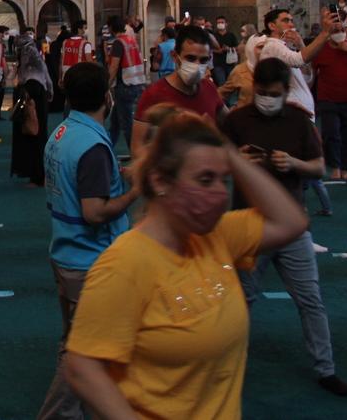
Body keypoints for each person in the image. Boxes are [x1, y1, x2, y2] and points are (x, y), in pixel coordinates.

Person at [62, 113, 310, 419]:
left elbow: (291, 221)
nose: (220, 193)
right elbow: (83, 368)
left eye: (224, 179)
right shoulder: (125, 263)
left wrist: (228, 153)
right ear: (160, 181)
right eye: (205, 179)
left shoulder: (216, 235)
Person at [222, 59, 347, 397]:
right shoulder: (236, 121)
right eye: (262, 93)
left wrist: (294, 163)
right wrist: (238, 162)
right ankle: (227, 368)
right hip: (248, 225)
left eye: (274, 94)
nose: (267, 99)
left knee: (310, 299)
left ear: (285, 90)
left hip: (292, 227)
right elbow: (215, 164)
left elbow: (319, 167)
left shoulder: (298, 120)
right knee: (239, 302)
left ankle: (326, 369)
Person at [38, 62, 140, 420]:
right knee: (83, 357)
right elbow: (95, 212)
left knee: (74, 344)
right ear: (108, 97)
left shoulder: (62, 133)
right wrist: (133, 193)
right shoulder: (93, 145)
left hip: (65, 253)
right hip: (91, 261)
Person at [132, 25, 226, 161]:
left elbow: (230, 122)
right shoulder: (154, 94)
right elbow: (137, 146)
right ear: (175, 56)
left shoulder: (209, 88)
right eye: (190, 58)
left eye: (203, 60)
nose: (196, 65)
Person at [310, 14, 347, 182]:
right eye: (335, 30)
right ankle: (335, 167)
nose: (339, 32)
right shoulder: (321, 49)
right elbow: (312, 74)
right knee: (331, 133)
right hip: (328, 98)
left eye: (341, 30)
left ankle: (346, 168)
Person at [11, 27, 52, 187]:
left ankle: (37, 175)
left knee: (33, 133)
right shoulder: (36, 55)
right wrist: (50, 91)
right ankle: (41, 174)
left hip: (31, 94)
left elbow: (22, 78)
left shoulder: (27, 55)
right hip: (40, 92)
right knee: (40, 133)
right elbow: (46, 75)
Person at [104, 17, 147, 156]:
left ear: (111, 28)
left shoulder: (118, 43)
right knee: (115, 122)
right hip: (137, 83)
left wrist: (106, 85)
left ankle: (136, 156)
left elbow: (114, 66)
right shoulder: (131, 40)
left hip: (125, 86)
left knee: (127, 124)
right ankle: (107, 149)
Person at [210, 16, 238, 86]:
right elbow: (209, 49)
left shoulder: (231, 35)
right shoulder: (213, 36)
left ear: (226, 24)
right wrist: (218, 51)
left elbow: (237, 47)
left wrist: (229, 49)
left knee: (231, 84)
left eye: (222, 22)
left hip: (230, 63)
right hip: (218, 64)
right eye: (218, 23)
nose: (220, 24)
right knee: (221, 83)